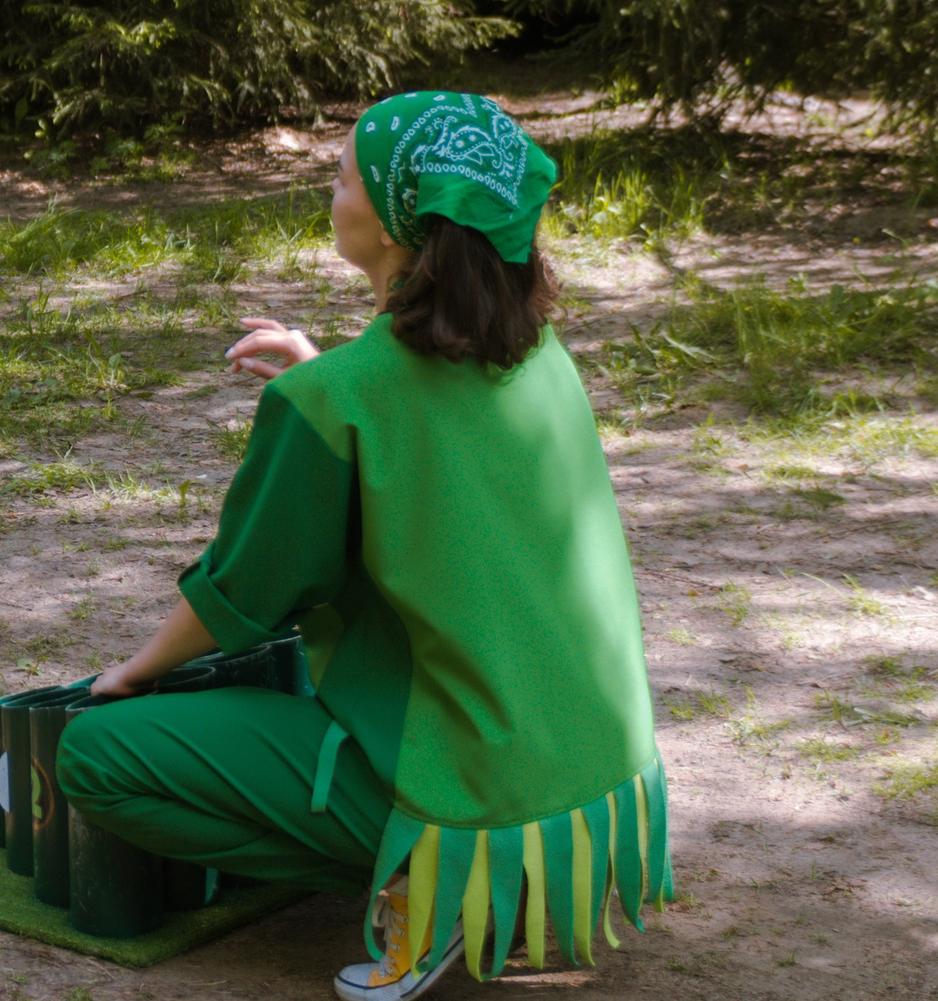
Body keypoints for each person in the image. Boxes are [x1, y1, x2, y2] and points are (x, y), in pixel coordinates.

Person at [54, 92, 672, 998]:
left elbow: (245, 593)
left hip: (474, 780)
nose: (331, 189)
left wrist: (129, 673)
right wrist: (327, 378)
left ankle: (430, 882)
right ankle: (500, 878)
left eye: (342, 176)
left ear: (389, 222)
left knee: (96, 759)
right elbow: (427, 438)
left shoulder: (335, 401)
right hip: (595, 779)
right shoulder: (540, 353)